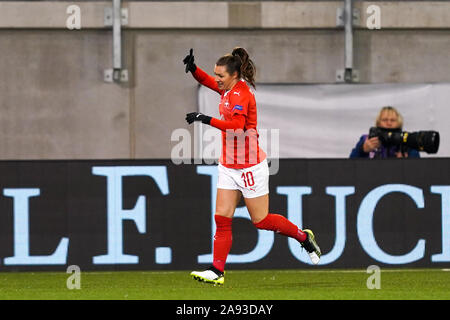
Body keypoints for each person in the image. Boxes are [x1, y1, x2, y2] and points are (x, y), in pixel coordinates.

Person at [183, 47, 321, 285]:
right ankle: (217, 271)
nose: (217, 79)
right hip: (228, 165)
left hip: (249, 166)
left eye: (221, 76)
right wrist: (194, 70)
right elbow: (207, 81)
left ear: (234, 75)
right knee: (222, 219)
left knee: (262, 221)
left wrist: (203, 118)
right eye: (216, 75)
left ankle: (303, 237)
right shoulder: (227, 90)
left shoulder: (241, 94)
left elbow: (236, 126)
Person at [350, 106, 421, 159]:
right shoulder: (367, 139)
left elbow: (417, 165)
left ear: (399, 123)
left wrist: (406, 161)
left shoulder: (406, 140)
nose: (389, 123)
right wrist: (362, 150)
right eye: (385, 120)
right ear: (378, 123)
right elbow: (351, 164)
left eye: (393, 120)